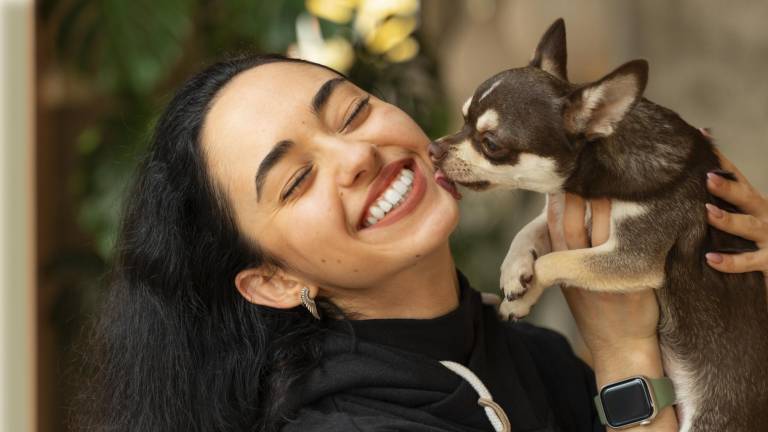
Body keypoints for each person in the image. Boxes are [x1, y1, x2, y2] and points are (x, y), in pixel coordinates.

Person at [74, 53, 768, 432]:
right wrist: (621, 358)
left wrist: (735, 295)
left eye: (350, 112)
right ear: (277, 281)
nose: (355, 158)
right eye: (295, 181)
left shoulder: (526, 352)